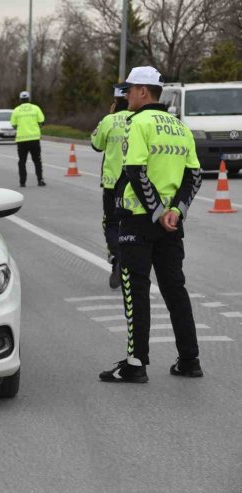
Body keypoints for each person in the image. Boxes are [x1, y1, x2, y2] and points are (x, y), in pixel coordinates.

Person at [99, 66, 203, 383]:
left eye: (129, 89)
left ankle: (135, 363)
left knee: (136, 292)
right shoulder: (179, 127)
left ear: (144, 92)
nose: (126, 95)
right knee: (175, 291)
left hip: (139, 221)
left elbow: (134, 172)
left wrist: (157, 211)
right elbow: (194, 176)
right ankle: (189, 360)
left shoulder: (138, 123)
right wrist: (176, 211)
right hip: (171, 224)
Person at [91, 88, 132, 290]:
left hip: (112, 182)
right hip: (136, 183)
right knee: (133, 223)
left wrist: (109, 116)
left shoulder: (109, 120)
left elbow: (96, 144)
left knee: (112, 223)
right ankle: (132, 264)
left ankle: (117, 256)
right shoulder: (140, 119)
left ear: (115, 101)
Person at [10, 91, 46, 187]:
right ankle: (40, 180)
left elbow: (13, 124)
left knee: (22, 161)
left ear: (20, 99)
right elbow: (42, 121)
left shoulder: (16, 110)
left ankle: (22, 182)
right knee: (37, 160)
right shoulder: (35, 108)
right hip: (34, 139)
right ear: (29, 99)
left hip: (21, 140)